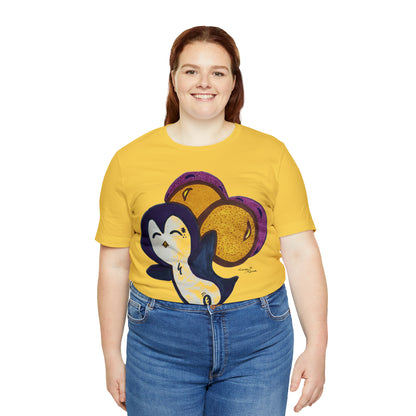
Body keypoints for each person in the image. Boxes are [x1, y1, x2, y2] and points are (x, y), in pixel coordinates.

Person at [96, 26, 328, 416]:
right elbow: (114, 264)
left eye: (217, 72)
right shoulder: (128, 161)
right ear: (173, 78)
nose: (204, 82)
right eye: (191, 71)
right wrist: (110, 355)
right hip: (159, 344)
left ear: (234, 82)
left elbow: (302, 254)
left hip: (259, 342)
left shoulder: (272, 155)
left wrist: (317, 345)